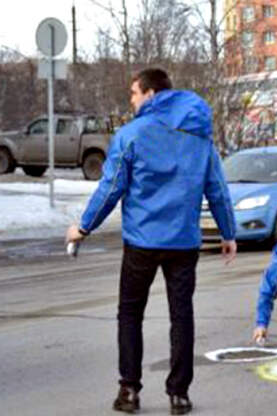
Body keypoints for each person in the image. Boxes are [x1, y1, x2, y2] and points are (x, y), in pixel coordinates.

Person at [65, 68, 237, 415]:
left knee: (130, 313)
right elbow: (216, 188)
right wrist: (228, 232)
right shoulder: (199, 137)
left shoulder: (132, 134)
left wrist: (83, 228)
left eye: (133, 93)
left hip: (141, 242)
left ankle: (129, 391)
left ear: (151, 94)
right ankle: (179, 395)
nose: (131, 100)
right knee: (181, 316)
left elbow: (111, 188)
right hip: (184, 243)